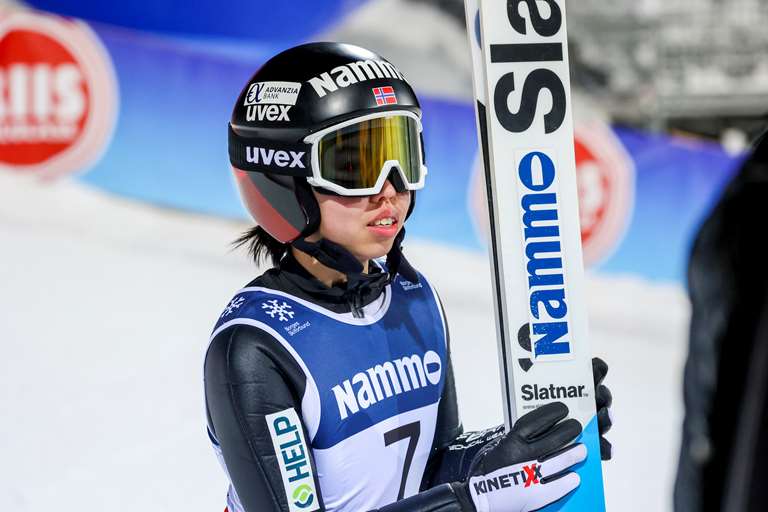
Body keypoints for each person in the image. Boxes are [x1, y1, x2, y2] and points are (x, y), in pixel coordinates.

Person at [204, 42, 612, 512]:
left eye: (402, 156)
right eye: (354, 166)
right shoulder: (257, 348)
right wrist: (471, 503)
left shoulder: (413, 299)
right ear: (285, 179)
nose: (389, 191)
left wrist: (510, 452)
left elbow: (432, 466)